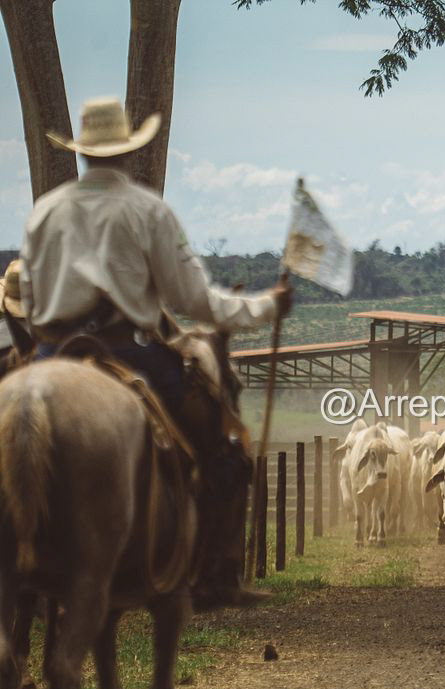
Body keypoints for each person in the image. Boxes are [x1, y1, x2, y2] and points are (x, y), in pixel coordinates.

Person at [17, 96, 293, 609]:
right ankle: (215, 574)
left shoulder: (44, 212)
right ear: (128, 150)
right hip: (129, 351)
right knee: (224, 450)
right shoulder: (148, 211)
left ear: (81, 152)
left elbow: (30, 306)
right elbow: (195, 301)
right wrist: (266, 306)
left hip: (52, 351)